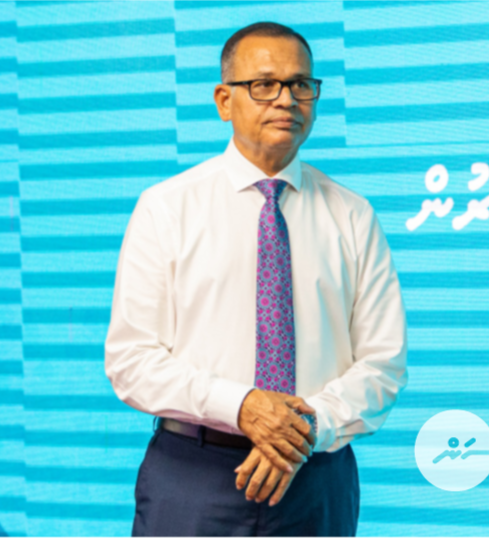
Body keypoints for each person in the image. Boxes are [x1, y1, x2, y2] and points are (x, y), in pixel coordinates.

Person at [104, 22, 407, 537]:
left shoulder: (353, 215)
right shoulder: (166, 208)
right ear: (224, 101)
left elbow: (383, 364)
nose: (286, 99)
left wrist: (301, 429)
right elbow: (131, 361)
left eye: (301, 84)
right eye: (264, 84)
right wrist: (243, 406)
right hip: (194, 474)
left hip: (315, 477)